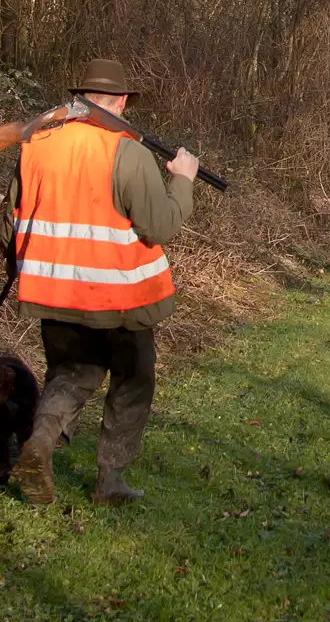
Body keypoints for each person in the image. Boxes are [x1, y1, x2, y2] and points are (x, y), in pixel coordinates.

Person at [11, 58, 200, 506]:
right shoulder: (127, 152)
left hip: (52, 291)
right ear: (120, 101)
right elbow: (159, 225)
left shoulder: (36, 145)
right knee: (133, 380)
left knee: (71, 374)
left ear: (80, 99)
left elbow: (12, 218)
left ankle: (39, 442)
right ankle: (109, 482)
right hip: (119, 300)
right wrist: (184, 182)